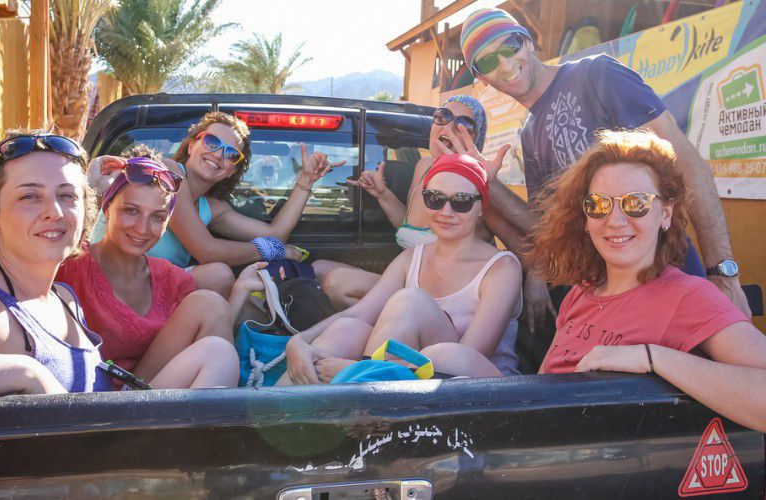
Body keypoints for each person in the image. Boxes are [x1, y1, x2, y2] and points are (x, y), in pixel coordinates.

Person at [455, 7, 751, 337]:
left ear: (528, 42)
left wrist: (722, 273)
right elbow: (546, 227)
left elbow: (687, 164)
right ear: (482, 78)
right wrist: (488, 183)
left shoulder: (597, 75)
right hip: (609, 306)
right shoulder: (530, 132)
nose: (506, 64)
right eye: (488, 61)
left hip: (671, 284)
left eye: (510, 45)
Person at [0, 131, 237, 396]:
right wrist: (26, 373)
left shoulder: (64, 298)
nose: (55, 212)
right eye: (29, 196)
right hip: (98, 423)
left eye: (68, 196)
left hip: (116, 417)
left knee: (218, 352)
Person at [531, 130, 766, 433]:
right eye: (599, 204)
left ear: (665, 214)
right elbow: (538, 392)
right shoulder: (580, 293)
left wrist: (653, 358)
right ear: (586, 219)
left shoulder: (689, 297)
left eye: (636, 203)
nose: (615, 220)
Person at [284, 154, 523, 385]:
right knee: (346, 329)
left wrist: (355, 369)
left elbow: (465, 356)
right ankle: (277, 407)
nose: (446, 211)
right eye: (435, 198)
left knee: (412, 303)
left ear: (481, 208)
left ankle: (361, 392)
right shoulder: (411, 258)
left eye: (461, 201)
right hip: (406, 383)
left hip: (481, 390)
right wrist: (300, 341)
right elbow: (358, 313)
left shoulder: (501, 268)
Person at [89, 111, 344, 296]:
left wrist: (306, 179)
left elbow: (275, 234)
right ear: (192, 145)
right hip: (108, 276)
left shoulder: (211, 208)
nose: (219, 155)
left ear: (232, 171)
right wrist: (272, 250)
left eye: (232, 155)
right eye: (211, 142)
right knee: (218, 275)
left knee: (245, 296)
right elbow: (206, 250)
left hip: (153, 287)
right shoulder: (166, 173)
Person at [56, 148, 238, 385]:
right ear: (107, 209)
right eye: (131, 211)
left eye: (157, 217)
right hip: (89, 397)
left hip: (144, 393)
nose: (142, 228)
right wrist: (81, 188)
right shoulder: (70, 264)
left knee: (211, 305)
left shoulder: (172, 278)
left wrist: (243, 290)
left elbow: (211, 337)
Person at [314, 95, 491, 309]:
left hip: (439, 300)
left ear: (476, 140)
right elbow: (409, 226)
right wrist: (382, 194)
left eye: (465, 124)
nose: (450, 127)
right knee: (318, 268)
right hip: (407, 283)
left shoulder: (478, 186)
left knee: (337, 283)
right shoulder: (423, 166)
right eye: (442, 116)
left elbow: (517, 243)